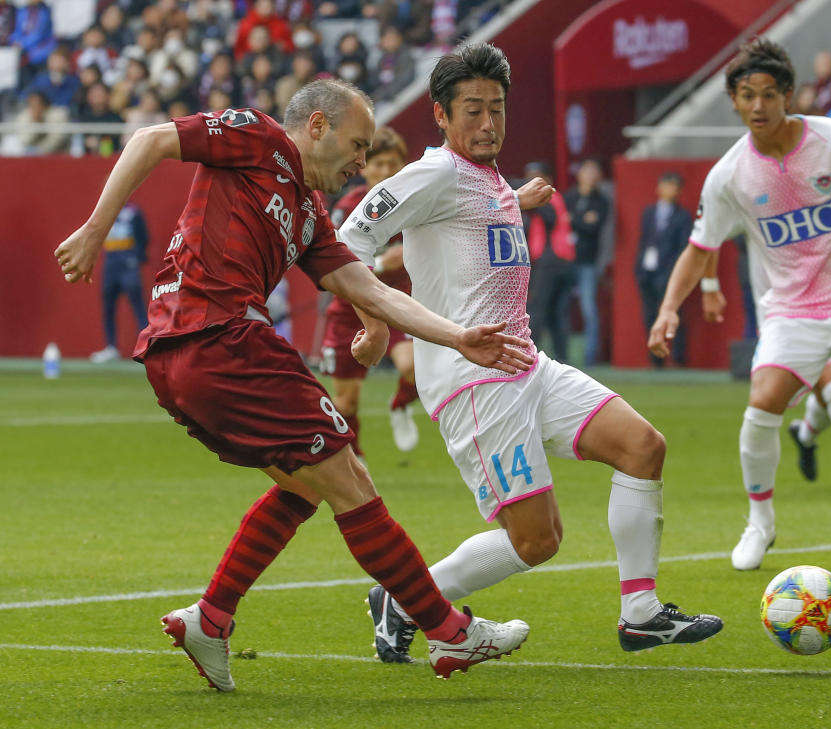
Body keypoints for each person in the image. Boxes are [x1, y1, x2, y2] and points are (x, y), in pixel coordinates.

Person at [53, 79, 535, 691]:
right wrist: (97, 227)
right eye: (357, 146)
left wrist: (458, 337)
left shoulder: (309, 214)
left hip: (182, 360)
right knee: (350, 478)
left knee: (304, 485)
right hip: (220, 341)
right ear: (315, 126)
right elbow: (150, 139)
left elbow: (372, 289)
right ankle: (447, 632)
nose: (362, 162)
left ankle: (211, 618)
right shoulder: (256, 136)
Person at [338, 43, 722, 664]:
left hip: (524, 362)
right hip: (473, 381)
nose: (488, 123)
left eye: (497, 109)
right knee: (537, 540)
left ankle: (642, 614)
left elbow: (460, 225)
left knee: (642, 446)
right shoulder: (431, 173)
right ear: (440, 115)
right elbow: (349, 239)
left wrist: (514, 200)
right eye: (472, 111)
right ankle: (406, 599)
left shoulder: (483, 179)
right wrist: (376, 325)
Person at [648, 38, 831, 578]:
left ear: (788, 96)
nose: (757, 106)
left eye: (768, 95)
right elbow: (700, 248)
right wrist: (668, 309)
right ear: (733, 100)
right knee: (762, 403)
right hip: (791, 312)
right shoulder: (729, 175)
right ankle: (760, 523)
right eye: (746, 95)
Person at [700, 250, 831, 483]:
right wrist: (709, 286)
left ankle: (805, 435)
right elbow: (708, 233)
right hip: (783, 319)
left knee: (830, 397)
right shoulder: (753, 211)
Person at [323, 126, 420, 454]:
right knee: (345, 401)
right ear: (365, 166)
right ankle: (356, 459)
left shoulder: (414, 205)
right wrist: (381, 264)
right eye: (378, 164)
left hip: (398, 302)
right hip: (351, 307)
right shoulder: (347, 206)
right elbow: (335, 257)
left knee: (413, 368)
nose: (385, 171)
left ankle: (400, 404)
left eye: (393, 164)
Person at [636, 171, 692, 368]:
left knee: (673, 315)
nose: (671, 190)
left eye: (675, 186)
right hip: (648, 271)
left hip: (669, 273)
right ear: (659, 188)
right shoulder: (649, 212)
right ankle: (656, 360)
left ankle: (677, 357)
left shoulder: (683, 216)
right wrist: (640, 269)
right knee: (650, 315)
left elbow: (683, 248)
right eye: (668, 185)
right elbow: (643, 242)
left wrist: (672, 273)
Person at [524, 159, 576, 363]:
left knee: (538, 310)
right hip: (562, 261)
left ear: (549, 180)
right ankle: (563, 360)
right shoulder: (559, 198)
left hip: (550, 263)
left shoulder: (548, 199)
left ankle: (528, 357)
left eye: (537, 177)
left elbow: (549, 219)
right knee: (557, 315)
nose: (531, 182)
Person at [90, 202, 150, 363]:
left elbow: (144, 237)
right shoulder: (103, 213)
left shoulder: (133, 213)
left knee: (138, 306)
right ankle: (111, 347)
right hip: (110, 266)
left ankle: (148, 347)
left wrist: (136, 259)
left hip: (128, 265)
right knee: (108, 308)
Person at [564, 157, 610, 367]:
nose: (590, 176)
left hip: (588, 262)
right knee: (560, 307)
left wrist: (573, 219)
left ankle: (590, 358)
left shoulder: (601, 201)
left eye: (594, 171)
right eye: (587, 170)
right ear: (579, 173)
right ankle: (559, 356)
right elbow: (561, 223)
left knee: (589, 309)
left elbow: (593, 227)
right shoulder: (568, 197)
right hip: (564, 260)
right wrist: (582, 219)